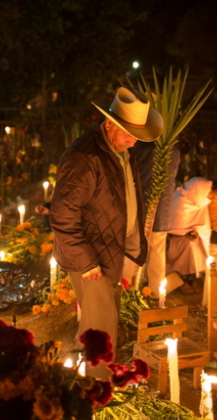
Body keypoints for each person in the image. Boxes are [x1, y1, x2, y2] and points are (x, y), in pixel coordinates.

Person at [50, 87, 161, 377]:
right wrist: (87, 262)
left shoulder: (119, 149)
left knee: (102, 326)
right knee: (99, 331)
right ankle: (97, 395)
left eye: (136, 135)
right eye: (128, 133)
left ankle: (94, 386)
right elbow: (62, 214)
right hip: (93, 258)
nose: (133, 141)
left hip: (109, 251)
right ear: (109, 123)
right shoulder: (85, 156)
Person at [132, 141, 180, 288]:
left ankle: (131, 287)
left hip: (141, 205)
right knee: (157, 252)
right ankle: (156, 290)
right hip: (163, 209)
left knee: (135, 249)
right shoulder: (173, 148)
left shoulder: (139, 146)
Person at [165, 177, 212, 294]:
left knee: (197, 243)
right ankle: (182, 280)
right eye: (205, 191)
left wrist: (197, 232)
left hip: (192, 235)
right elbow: (174, 225)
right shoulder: (178, 200)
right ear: (198, 190)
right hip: (174, 237)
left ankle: (193, 278)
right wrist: (186, 233)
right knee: (187, 245)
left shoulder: (200, 200)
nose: (208, 194)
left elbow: (202, 223)